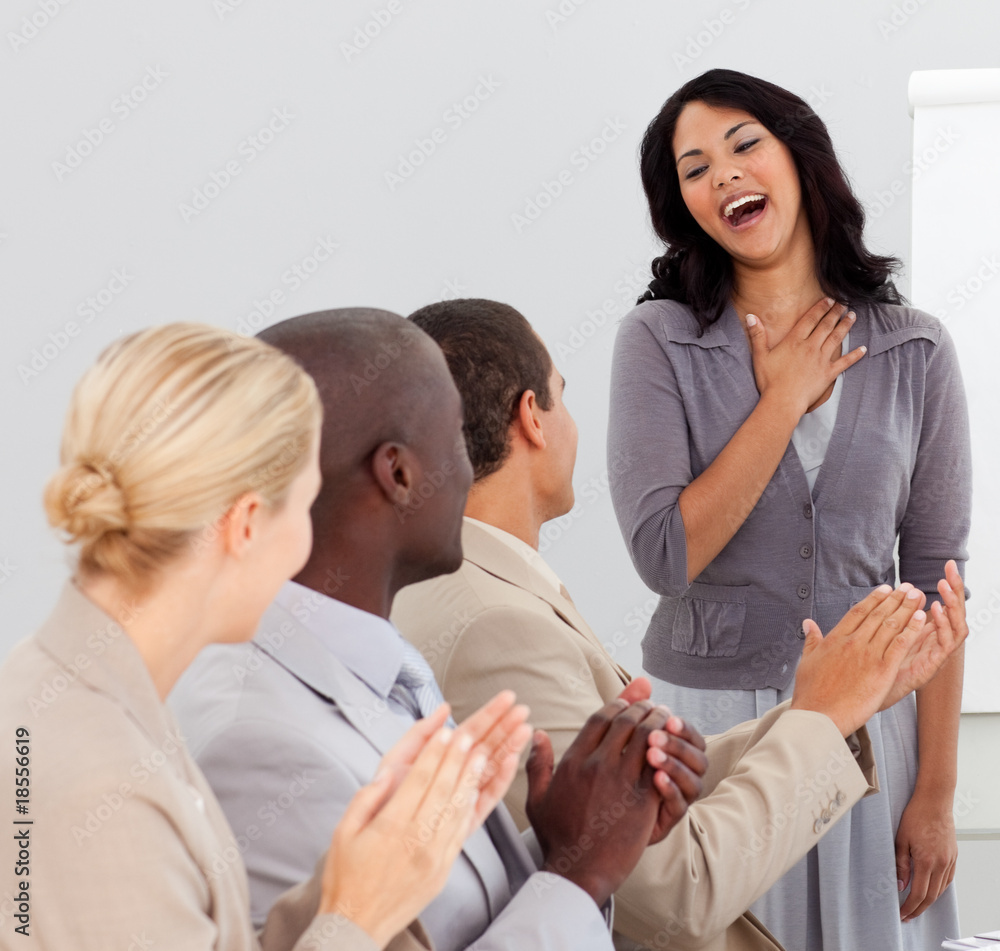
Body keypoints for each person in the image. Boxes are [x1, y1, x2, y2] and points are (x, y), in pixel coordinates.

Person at [391, 297, 970, 951]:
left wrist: (831, 705)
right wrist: (822, 721)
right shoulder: (495, 626)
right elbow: (674, 892)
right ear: (532, 418)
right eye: (562, 395)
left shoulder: (478, 592)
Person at [170, 307, 697, 951]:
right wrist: (576, 877)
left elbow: (437, 927)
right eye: (454, 435)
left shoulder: (370, 662)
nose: (473, 465)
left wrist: (567, 839)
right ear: (398, 473)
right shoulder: (260, 744)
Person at [0, 322, 535, 951]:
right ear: (248, 525)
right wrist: (355, 915)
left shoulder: (87, 699)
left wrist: (353, 879)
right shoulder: (99, 781)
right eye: (307, 507)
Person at [607, 68, 972, 951]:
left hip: (872, 730)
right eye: (693, 168)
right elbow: (664, 553)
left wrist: (936, 793)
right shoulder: (659, 339)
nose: (721, 175)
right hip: (710, 728)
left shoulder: (915, 347)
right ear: (682, 203)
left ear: (798, 159)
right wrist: (781, 403)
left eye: (743, 146)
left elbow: (937, 587)